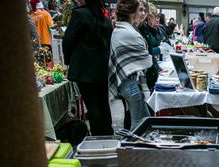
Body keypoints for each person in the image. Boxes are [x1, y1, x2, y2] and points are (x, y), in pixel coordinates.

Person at [63, 0, 113, 136]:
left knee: (92, 105)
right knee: (103, 103)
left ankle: (97, 136)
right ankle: (107, 134)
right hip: (102, 68)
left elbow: (68, 40)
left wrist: (68, 60)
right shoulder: (106, 20)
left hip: (84, 68)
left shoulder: (80, 14)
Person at [109, 0, 152, 130]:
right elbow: (147, 61)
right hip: (131, 84)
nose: (141, 14)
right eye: (139, 10)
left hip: (127, 83)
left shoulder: (119, 29)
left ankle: (141, 147)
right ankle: (132, 148)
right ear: (132, 13)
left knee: (146, 119)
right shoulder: (129, 33)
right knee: (138, 123)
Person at [138, 6, 162, 92]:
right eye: (155, 16)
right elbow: (148, 51)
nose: (157, 19)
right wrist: (159, 49)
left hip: (150, 67)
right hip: (144, 70)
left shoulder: (145, 28)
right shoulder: (142, 28)